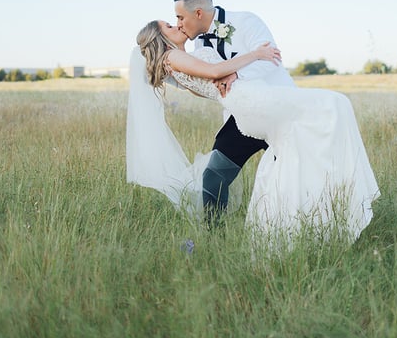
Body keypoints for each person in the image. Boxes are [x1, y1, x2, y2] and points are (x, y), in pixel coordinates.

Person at [127, 19, 380, 244]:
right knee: (332, 105)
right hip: (250, 102)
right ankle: (324, 205)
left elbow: (208, 83)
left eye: (178, 19)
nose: (177, 24)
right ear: (161, 39)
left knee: (308, 133)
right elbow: (215, 72)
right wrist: (256, 54)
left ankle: (302, 212)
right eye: (170, 26)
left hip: (246, 102)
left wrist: (222, 77)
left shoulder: (182, 61)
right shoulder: (173, 58)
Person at [173, 0, 295, 223]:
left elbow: (272, 59)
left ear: (198, 13)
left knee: (287, 175)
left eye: (180, 17)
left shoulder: (247, 21)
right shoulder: (199, 47)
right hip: (242, 119)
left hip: (277, 111)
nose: (178, 23)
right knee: (213, 175)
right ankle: (213, 236)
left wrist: (237, 75)